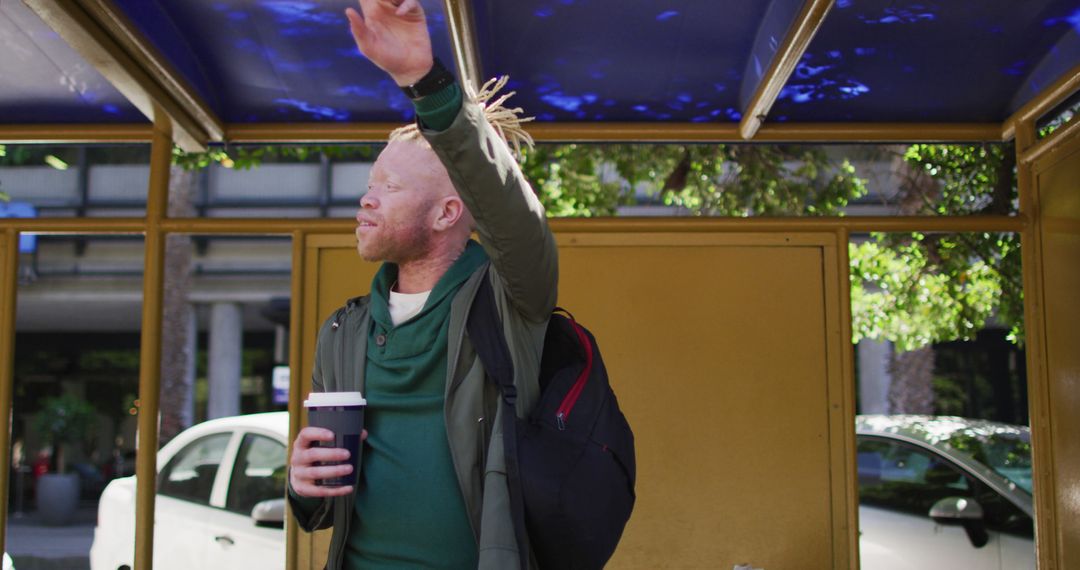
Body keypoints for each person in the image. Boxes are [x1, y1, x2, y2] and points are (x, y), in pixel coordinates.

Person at [286, 1, 557, 568]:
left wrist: (423, 82)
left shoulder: (512, 304)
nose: (366, 198)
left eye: (389, 186)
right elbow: (316, 508)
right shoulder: (343, 329)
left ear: (446, 213)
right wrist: (301, 483)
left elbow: (511, 212)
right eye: (369, 183)